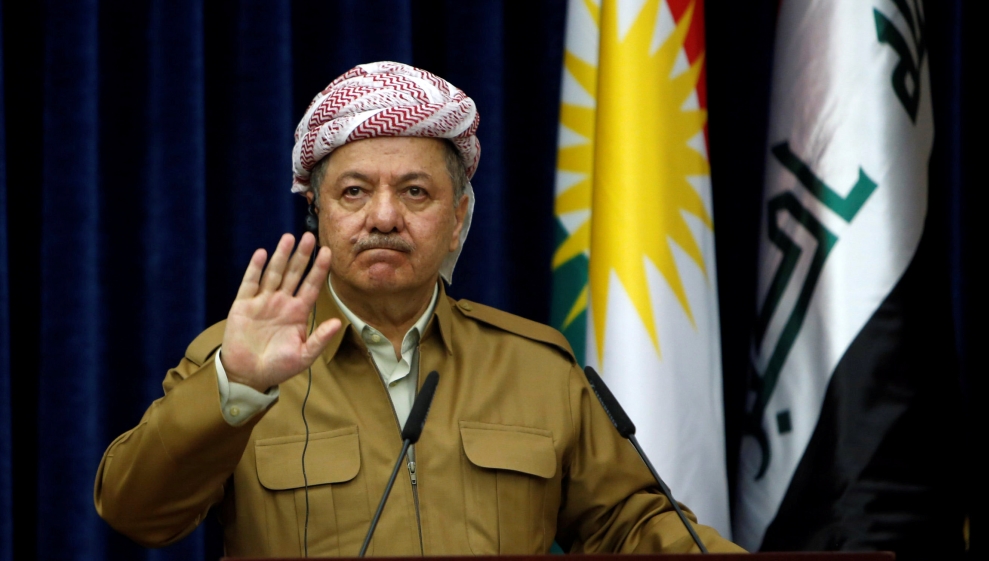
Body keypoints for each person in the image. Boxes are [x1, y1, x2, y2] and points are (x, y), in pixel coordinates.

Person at [94, 61, 743, 557]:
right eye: (353, 192)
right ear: (317, 213)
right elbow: (136, 512)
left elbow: (630, 524)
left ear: (458, 217)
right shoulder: (240, 363)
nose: (383, 216)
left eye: (414, 191)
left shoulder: (536, 365)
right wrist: (236, 389)